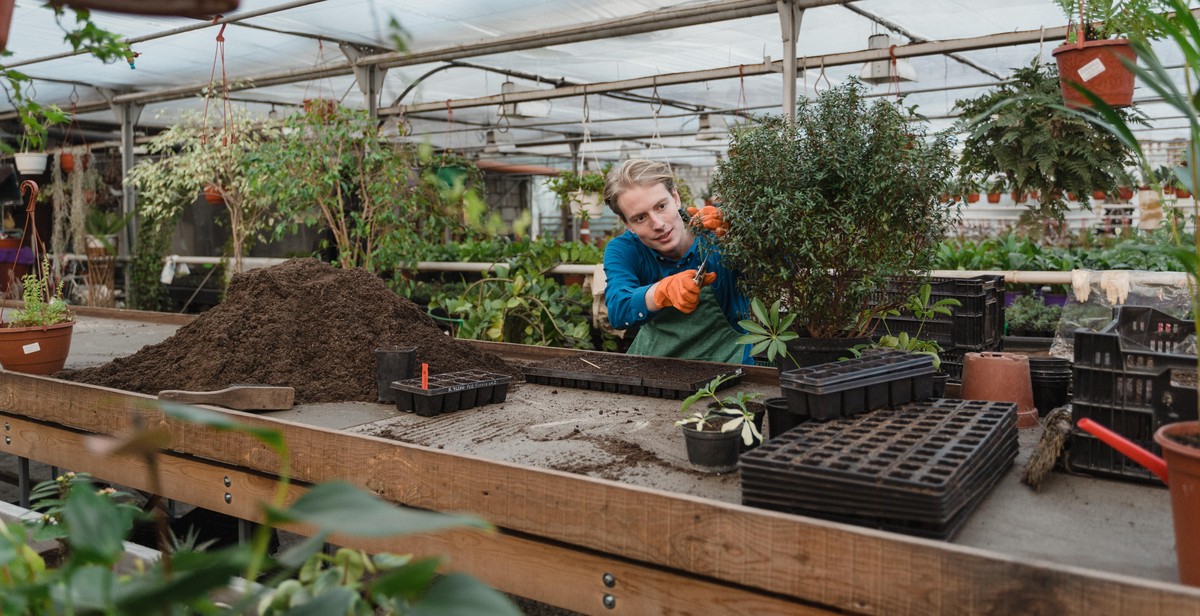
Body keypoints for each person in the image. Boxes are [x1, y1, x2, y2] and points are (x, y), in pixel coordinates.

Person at [601, 159, 751, 364]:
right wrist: (662, 292)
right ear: (627, 225)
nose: (658, 224)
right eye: (640, 218)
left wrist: (743, 235)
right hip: (656, 374)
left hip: (731, 369)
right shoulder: (624, 250)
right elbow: (619, 311)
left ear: (676, 198)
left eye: (661, 206)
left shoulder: (718, 233)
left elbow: (787, 266)